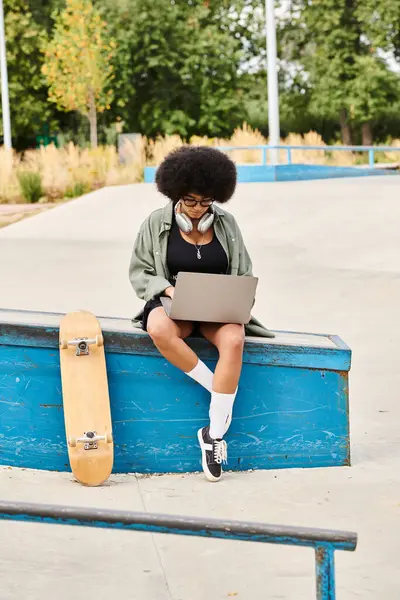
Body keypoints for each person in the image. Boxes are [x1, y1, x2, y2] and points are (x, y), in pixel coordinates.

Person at [129, 145, 274, 482]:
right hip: (171, 302)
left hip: (216, 307)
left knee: (235, 339)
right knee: (159, 329)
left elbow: (243, 271)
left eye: (206, 202)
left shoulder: (227, 224)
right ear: (176, 193)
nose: (197, 209)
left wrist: (236, 300)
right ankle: (218, 392)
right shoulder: (154, 223)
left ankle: (214, 437)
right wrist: (168, 290)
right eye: (191, 200)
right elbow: (140, 273)